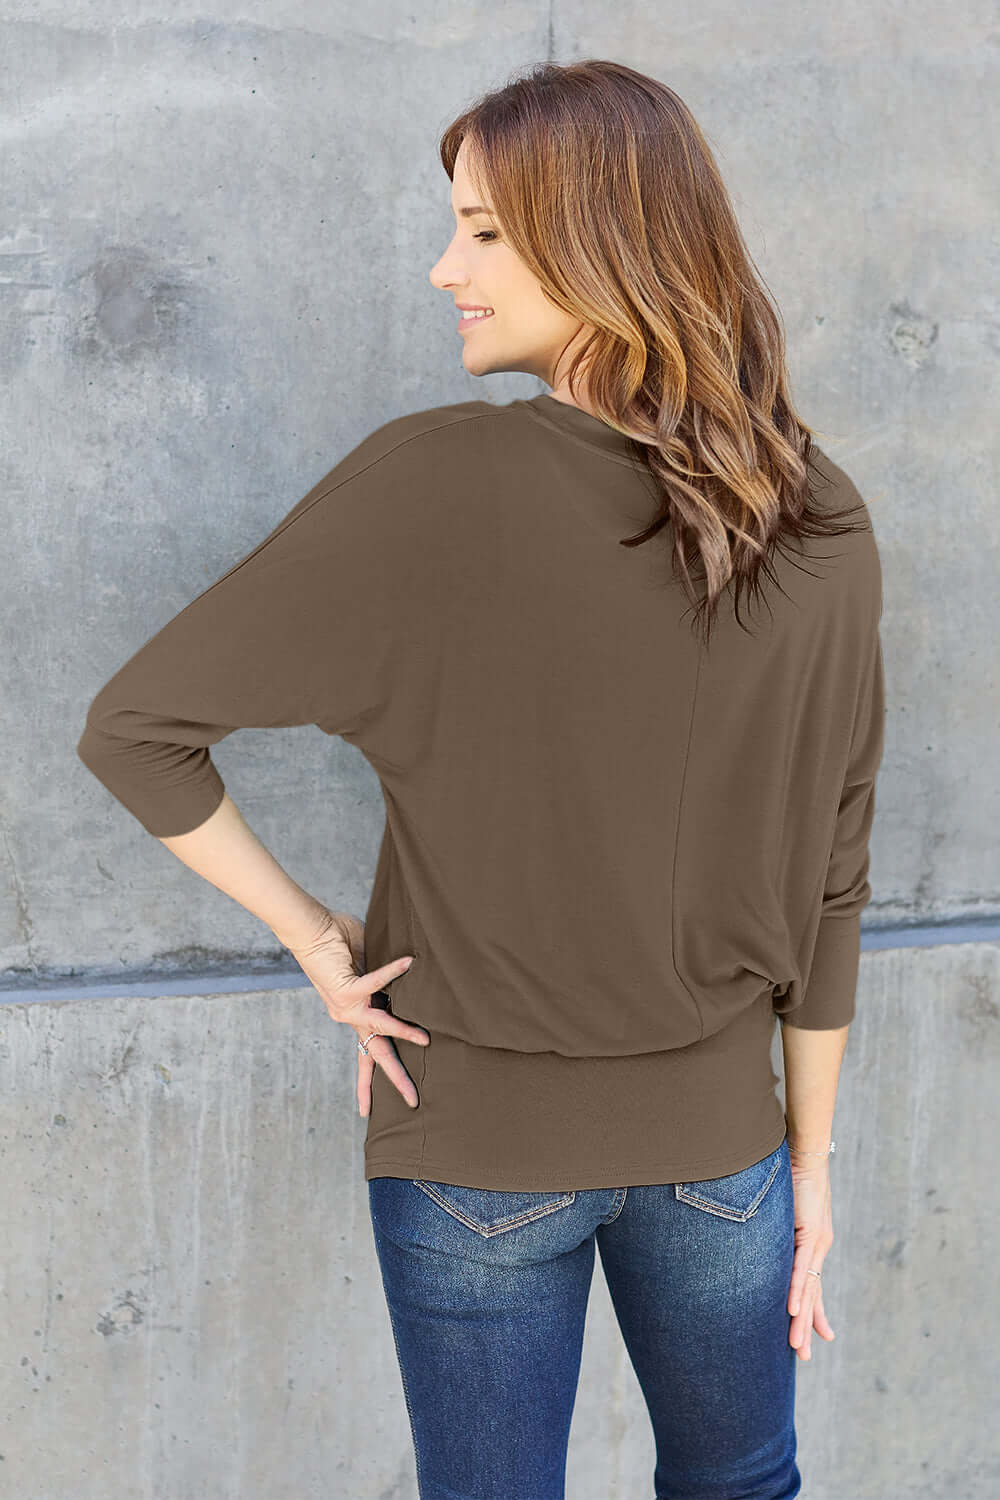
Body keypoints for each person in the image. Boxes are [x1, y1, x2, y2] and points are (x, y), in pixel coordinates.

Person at [76, 58, 886, 1500]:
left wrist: (322, 947)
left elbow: (134, 728)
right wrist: (810, 1168)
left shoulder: (432, 485)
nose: (448, 267)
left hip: (474, 1157)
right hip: (726, 1153)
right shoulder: (814, 511)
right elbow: (835, 874)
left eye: (489, 232)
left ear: (607, 237)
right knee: (747, 1483)